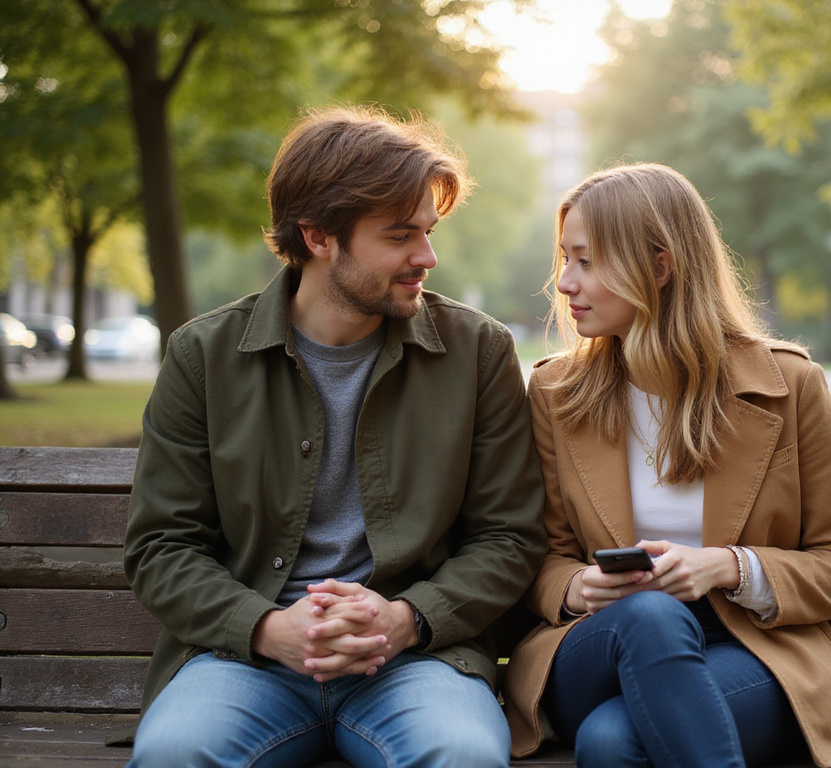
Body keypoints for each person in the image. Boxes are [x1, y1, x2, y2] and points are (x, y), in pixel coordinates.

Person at [121, 105, 547, 768]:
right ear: (319, 237)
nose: (426, 258)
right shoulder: (201, 356)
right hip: (246, 661)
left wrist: (404, 619)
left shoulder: (478, 352)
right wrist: (266, 628)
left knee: (461, 756)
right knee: (176, 755)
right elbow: (161, 547)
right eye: (401, 235)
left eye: (429, 233)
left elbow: (510, 537)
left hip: (416, 660)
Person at [502, 163, 831, 768]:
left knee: (610, 744)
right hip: (601, 642)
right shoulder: (557, 393)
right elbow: (537, 554)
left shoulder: (787, 385)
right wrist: (579, 587)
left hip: (757, 645)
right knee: (650, 616)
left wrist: (729, 568)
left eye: (588, 261)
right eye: (565, 260)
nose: (566, 284)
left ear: (659, 267)